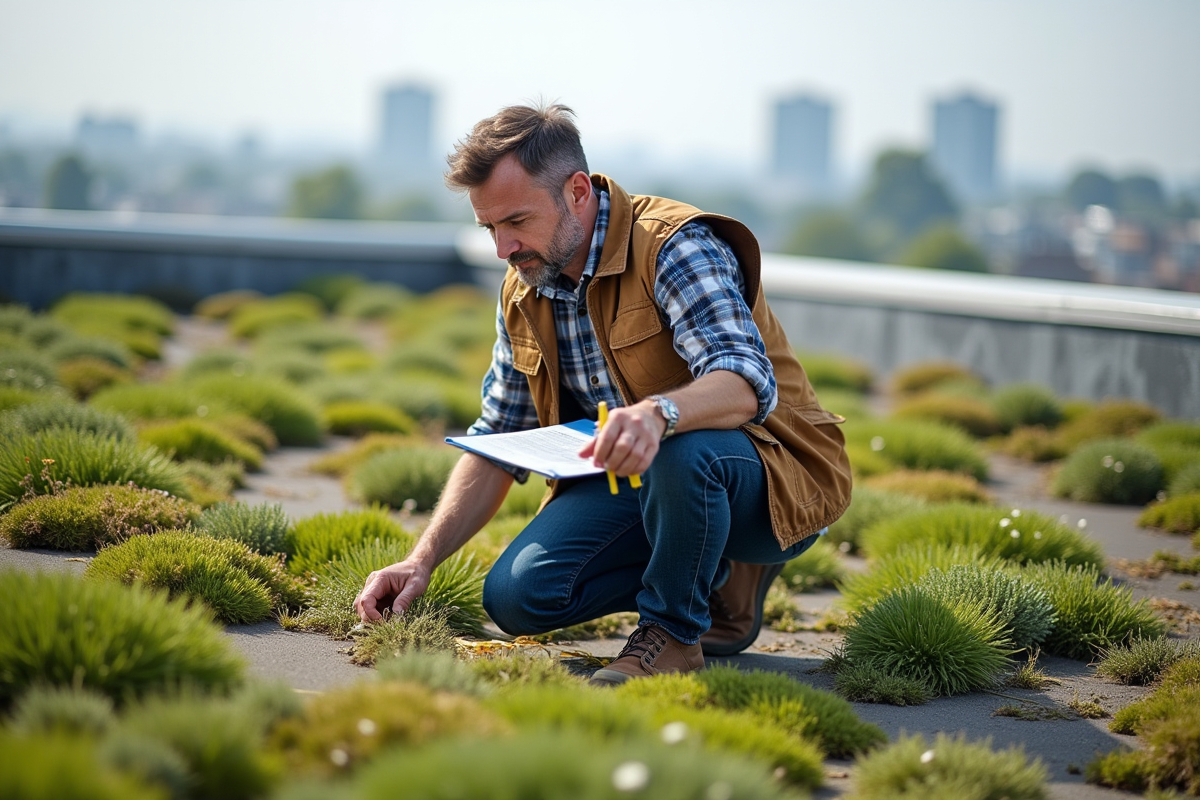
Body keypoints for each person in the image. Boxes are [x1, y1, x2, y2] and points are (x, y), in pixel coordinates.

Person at [355, 103, 852, 685]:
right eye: (490, 228)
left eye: (516, 220)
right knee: (519, 598)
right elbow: (497, 438)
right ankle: (712, 573)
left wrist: (657, 415)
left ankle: (671, 635)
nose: (503, 249)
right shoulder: (525, 285)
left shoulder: (673, 246)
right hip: (642, 480)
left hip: (771, 478)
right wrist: (421, 560)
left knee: (678, 446)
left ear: (577, 192)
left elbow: (744, 382)